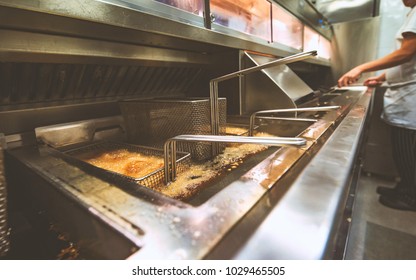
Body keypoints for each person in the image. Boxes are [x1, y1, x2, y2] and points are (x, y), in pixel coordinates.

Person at [338, 0, 416, 211]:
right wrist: (380, 78)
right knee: (403, 147)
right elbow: (408, 60)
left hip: (410, 96)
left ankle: (410, 196)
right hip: (403, 91)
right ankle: (404, 187)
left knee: (406, 147)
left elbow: (406, 53)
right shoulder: (412, 14)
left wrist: (360, 68)